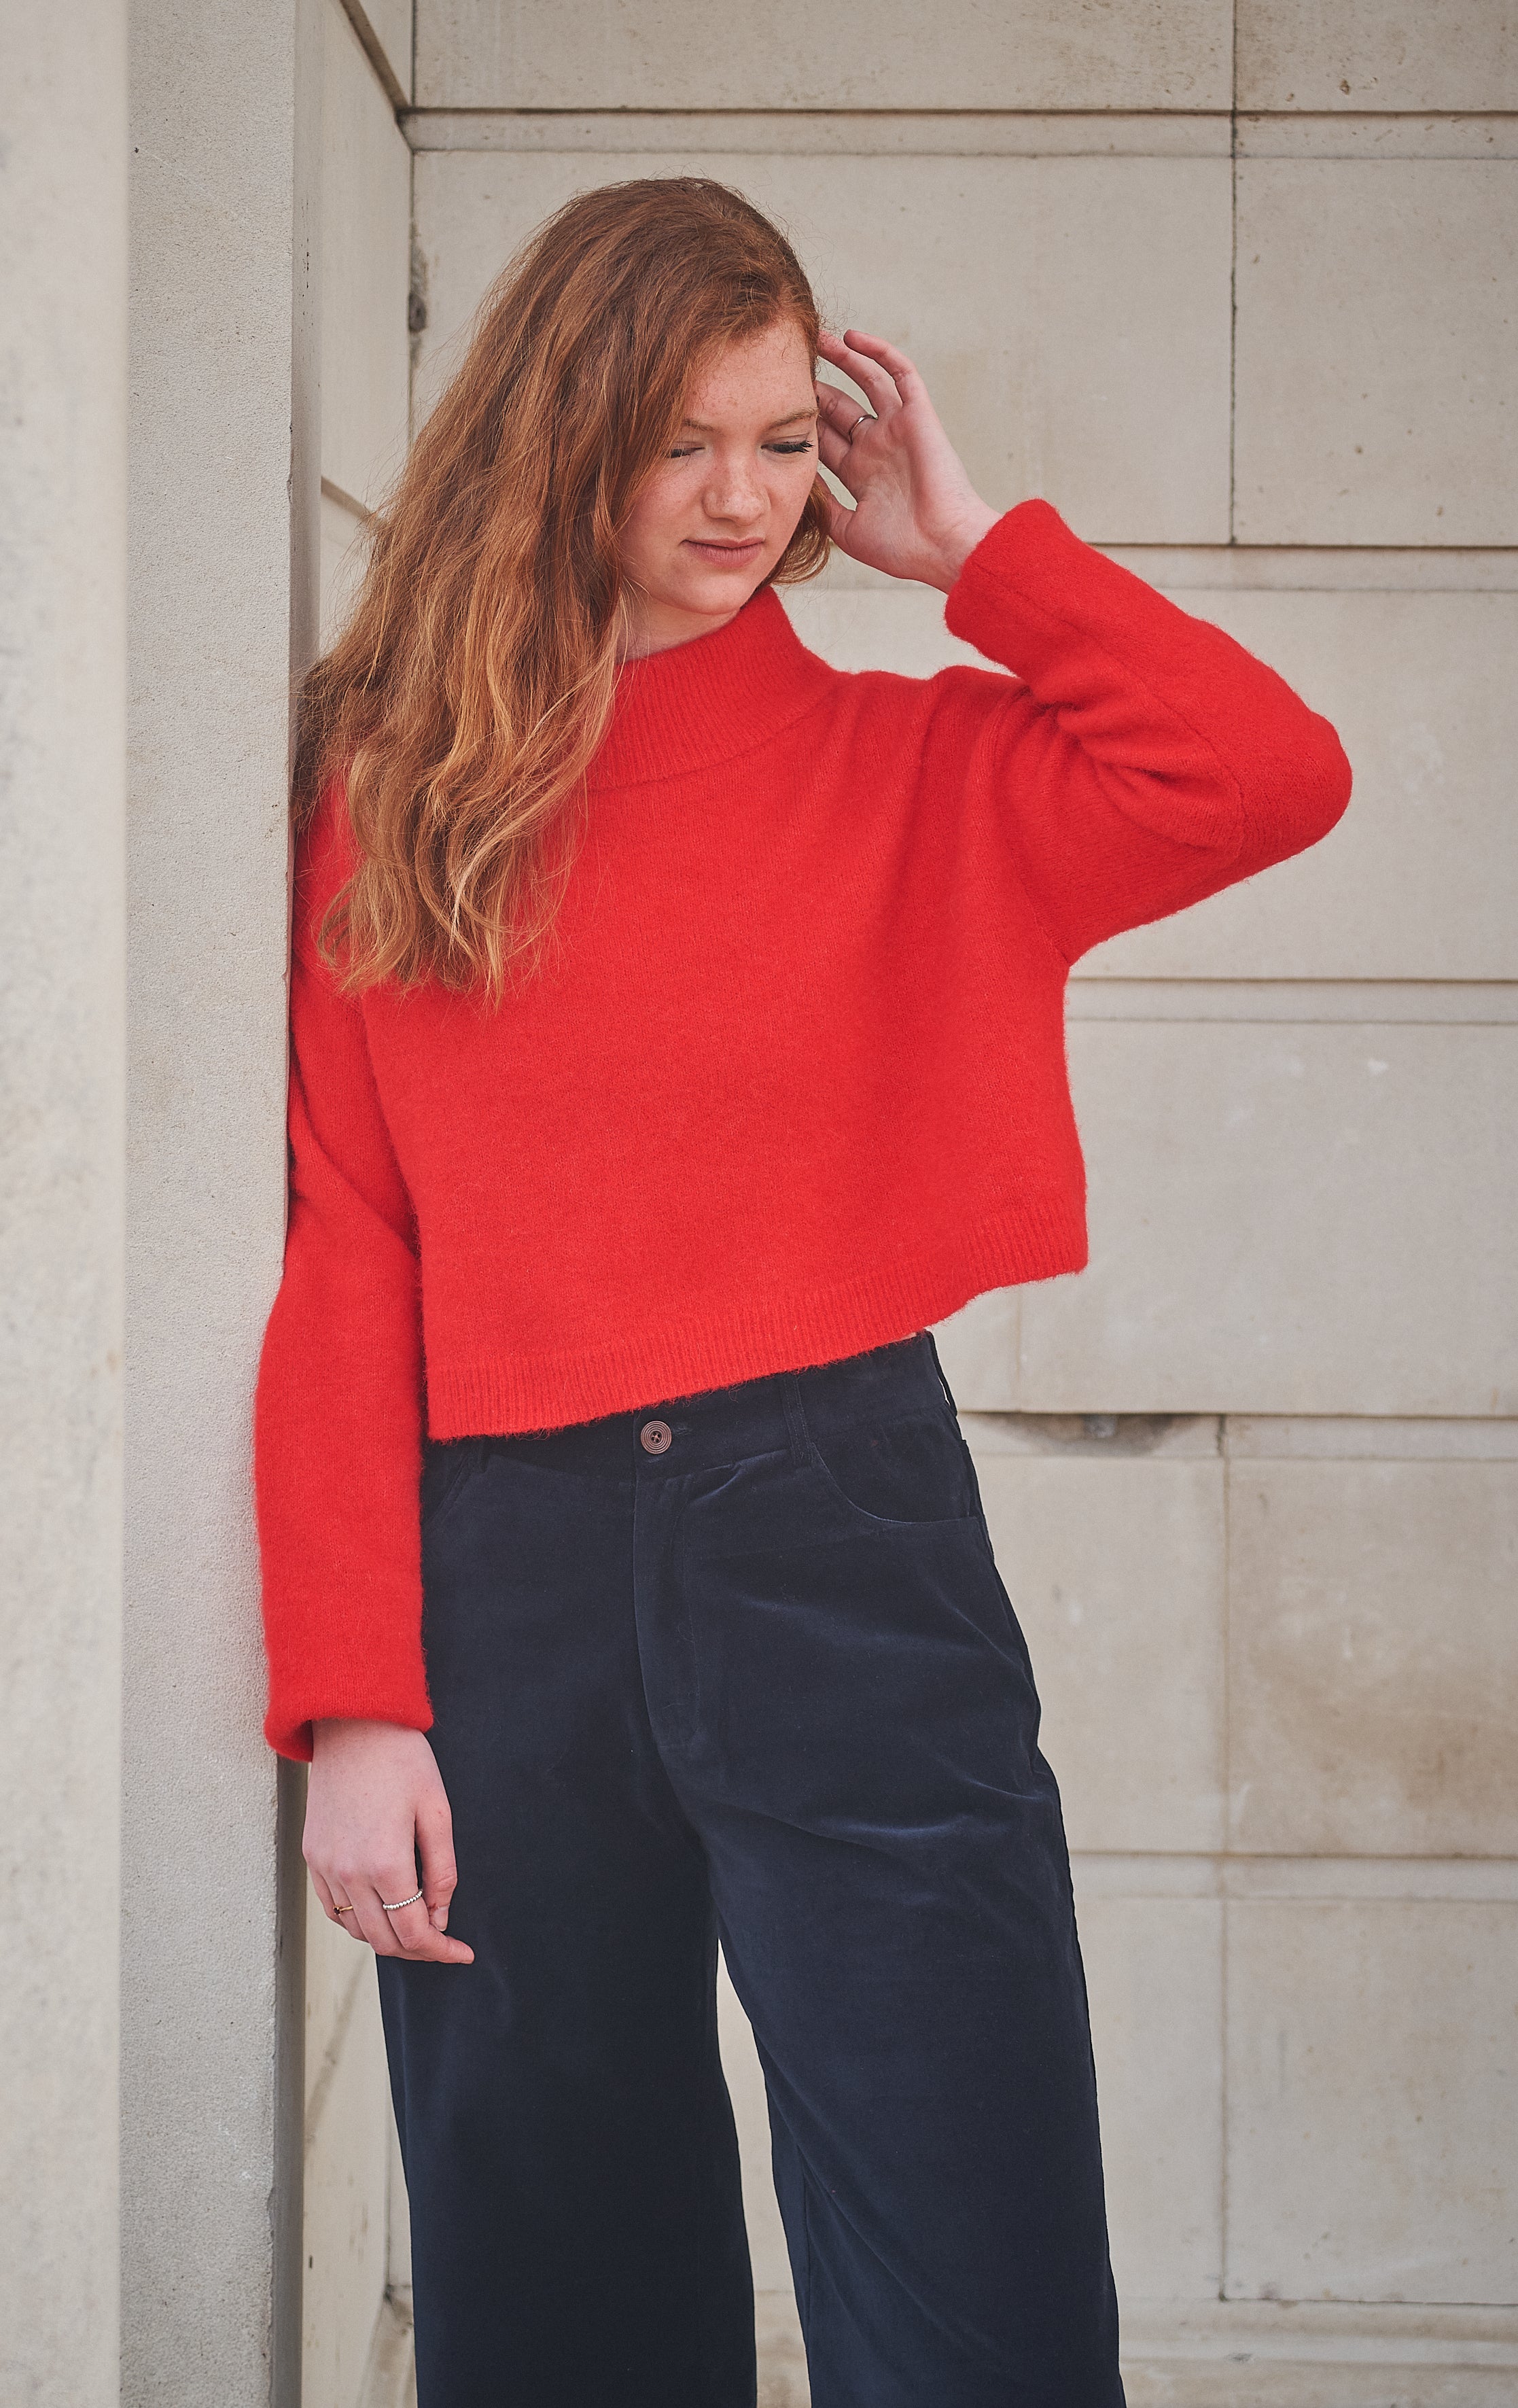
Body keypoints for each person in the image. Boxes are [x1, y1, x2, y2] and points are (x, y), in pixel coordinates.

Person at [254, 177, 1349, 2407]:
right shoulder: (403, 792)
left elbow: (1264, 774)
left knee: (971, 2255)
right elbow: (346, 1237)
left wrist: (985, 564)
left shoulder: (910, 768)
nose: (741, 497)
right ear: (562, 441)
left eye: (780, 439)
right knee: (547, 2271)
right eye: (680, 441)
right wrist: (354, 1700)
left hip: (834, 1522)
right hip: (506, 1577)